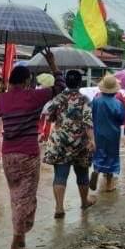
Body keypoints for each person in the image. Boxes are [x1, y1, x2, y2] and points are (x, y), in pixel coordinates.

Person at [0, 51, 63, 249]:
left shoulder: (2, 98)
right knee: (26, 198)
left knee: (16, 196)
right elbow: (59, 88)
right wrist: (54, 65)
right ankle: (15, 243)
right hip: (28, 154)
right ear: (27, 81)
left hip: (8, 155)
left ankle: (20, 242)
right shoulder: (34, 96)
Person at [43, 70, 96, 218]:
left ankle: (59, 208)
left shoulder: (59, 98)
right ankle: (84, 202)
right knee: (82, 174)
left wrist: (57, 117)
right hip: (80, 142)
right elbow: (87, 122)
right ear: (80, 82)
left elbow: (47, 114)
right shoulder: (85, 99)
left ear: (66, 82)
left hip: (59, 141)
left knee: (60, 175)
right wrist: (92, 140)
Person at [90, 75, 125, 192]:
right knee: (112, 157)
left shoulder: (95, 101)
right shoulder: (118, 103)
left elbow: (90, 116)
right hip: (113, 133)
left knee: (99, 153)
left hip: (98, 132)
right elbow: (122, 119)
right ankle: (109, 185)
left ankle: (96, 170)